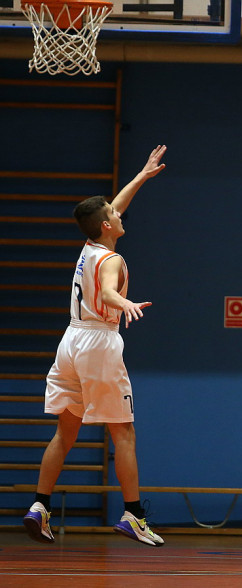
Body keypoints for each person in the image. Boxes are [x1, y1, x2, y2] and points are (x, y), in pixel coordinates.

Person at [23, 145, 168, 547]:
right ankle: (133, 514)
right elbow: (106, 291)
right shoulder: (112, 260)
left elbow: (114, 207)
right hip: (99, 343)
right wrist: (125, 303)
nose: (120, 215)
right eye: (114, 215)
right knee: (124, 433)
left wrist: (141, 176)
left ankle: (39, 505)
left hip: (70, 341)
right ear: (106, 226)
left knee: (65, 432)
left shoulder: (90, 246)